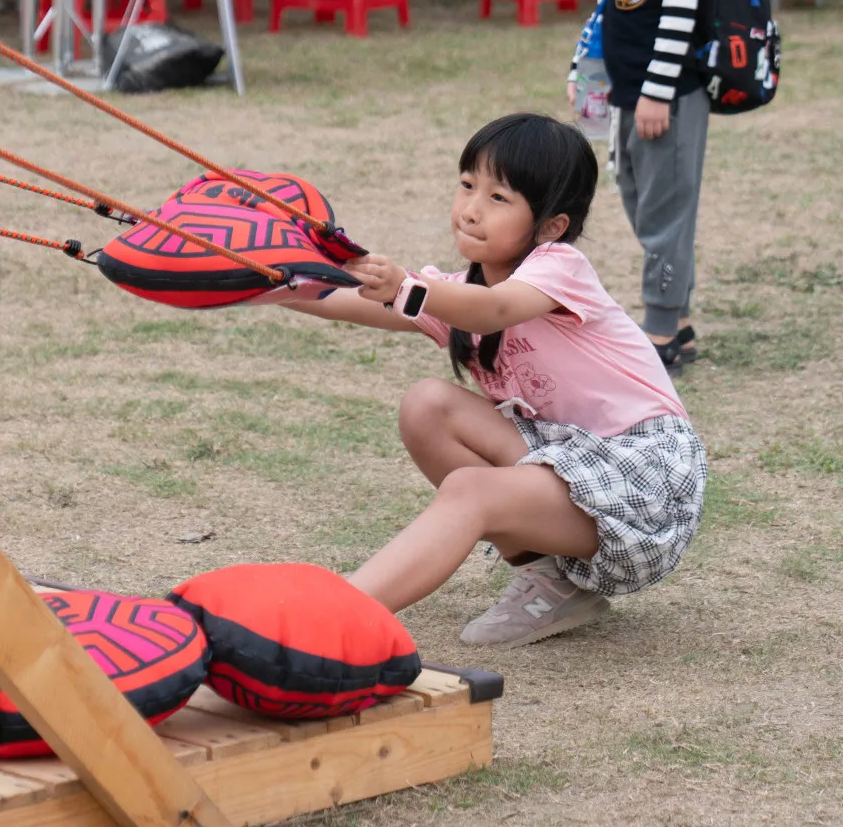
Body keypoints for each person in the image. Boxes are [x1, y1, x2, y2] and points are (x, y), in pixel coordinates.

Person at [281, 113, 707, 647]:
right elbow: (345, 302)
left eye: (499, 198)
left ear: (551, 225)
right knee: (427, 405)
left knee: (469, 490)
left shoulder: (559, 267)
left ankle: (329, 619)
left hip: (644, 480)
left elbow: (494, 308)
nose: (471, 210)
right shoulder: (459, 289)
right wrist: (261, 280)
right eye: (466, 186)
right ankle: (553, 586)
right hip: (566, 458)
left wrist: (407, 286)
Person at [566, 0, 710, 372]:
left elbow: (680, 14)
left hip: (667, 97)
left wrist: (656, 92)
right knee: (638, 196)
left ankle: (659, 327)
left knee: (664, 209)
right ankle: (674, 318)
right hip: (632, 91)